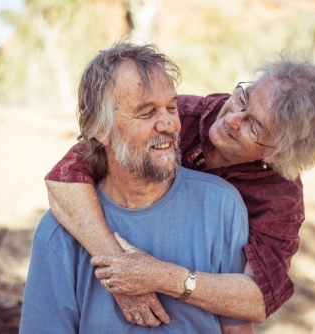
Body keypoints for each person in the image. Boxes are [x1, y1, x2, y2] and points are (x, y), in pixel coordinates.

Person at [44, 46, 315, 325]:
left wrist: (160, 278)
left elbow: (258, 298)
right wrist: (121, 274)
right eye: (242, 100)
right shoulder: (185, 114)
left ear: (280, 153)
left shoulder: (281, 198)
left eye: (254, 126)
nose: (232, 118)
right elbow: (66, 175)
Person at [20, 42, 254, 333]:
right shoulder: (58, 233)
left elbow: (237, 327)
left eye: (172, 107)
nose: (168, 124)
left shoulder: (222, 206)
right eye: (146, 113)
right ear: (100, 130)